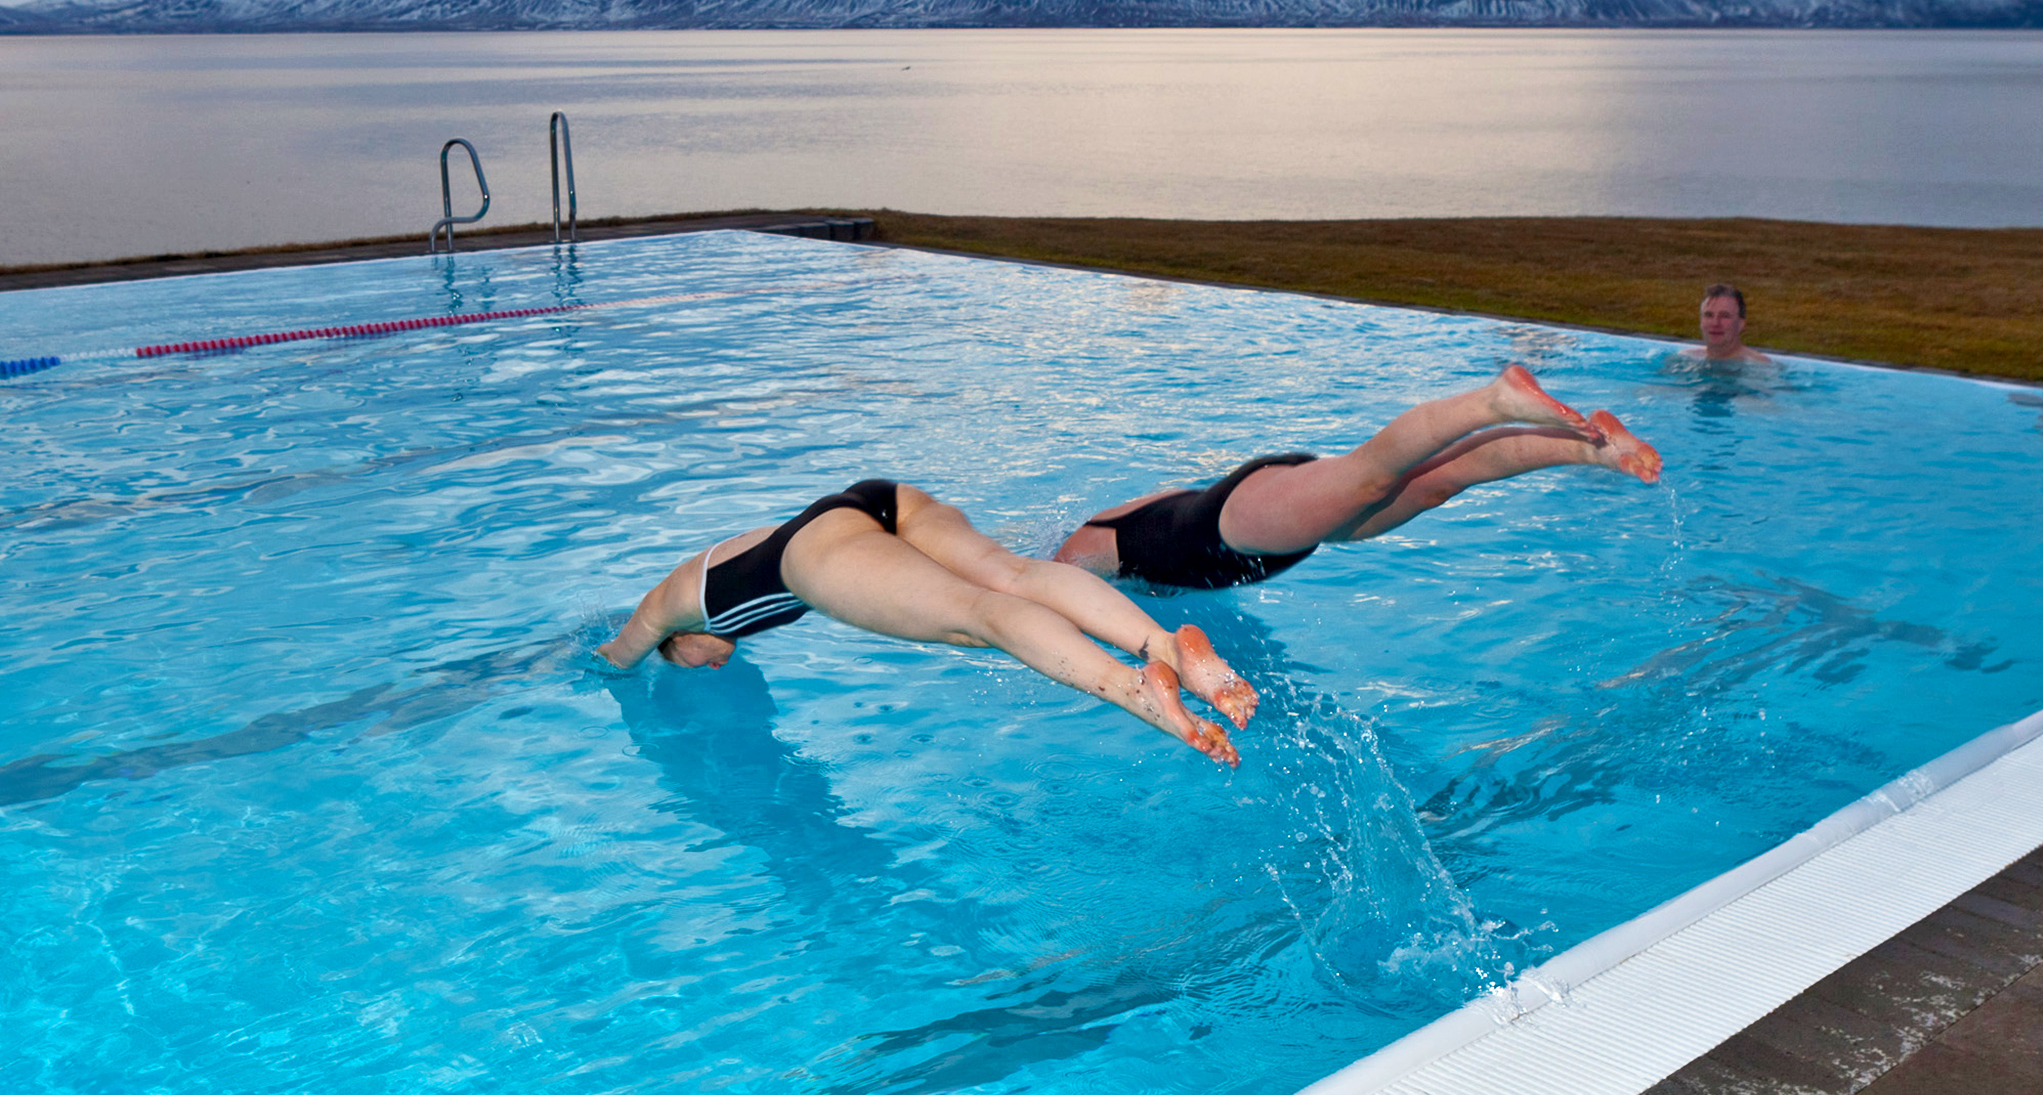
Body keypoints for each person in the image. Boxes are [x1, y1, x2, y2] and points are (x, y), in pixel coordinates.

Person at [598, 478, 1261, 766]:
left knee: (976, 619)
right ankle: (1165, 644)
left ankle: (1134, 688)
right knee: (1012, 573)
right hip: (873, 502)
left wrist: (606, 662)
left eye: (687, 656)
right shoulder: (718, 558)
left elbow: (618, 652)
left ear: (677, 639)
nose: (717, 661)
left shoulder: (671, 606)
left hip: (818, 554)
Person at [1054, 365, 1661, 591]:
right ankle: (1594, 448)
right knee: (1442, 481)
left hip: (1235, 524)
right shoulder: (1120, 540)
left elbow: (1055, 594)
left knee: (1373, 476)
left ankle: (1493, 400)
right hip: (1266, 528)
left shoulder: (1076, 557)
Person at [1688, 283, 1771, 365]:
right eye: (1709, 315)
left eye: (1725, 316)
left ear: (1741, 324)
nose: (1715, 323)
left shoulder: (1759, 366)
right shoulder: (1687, 358)